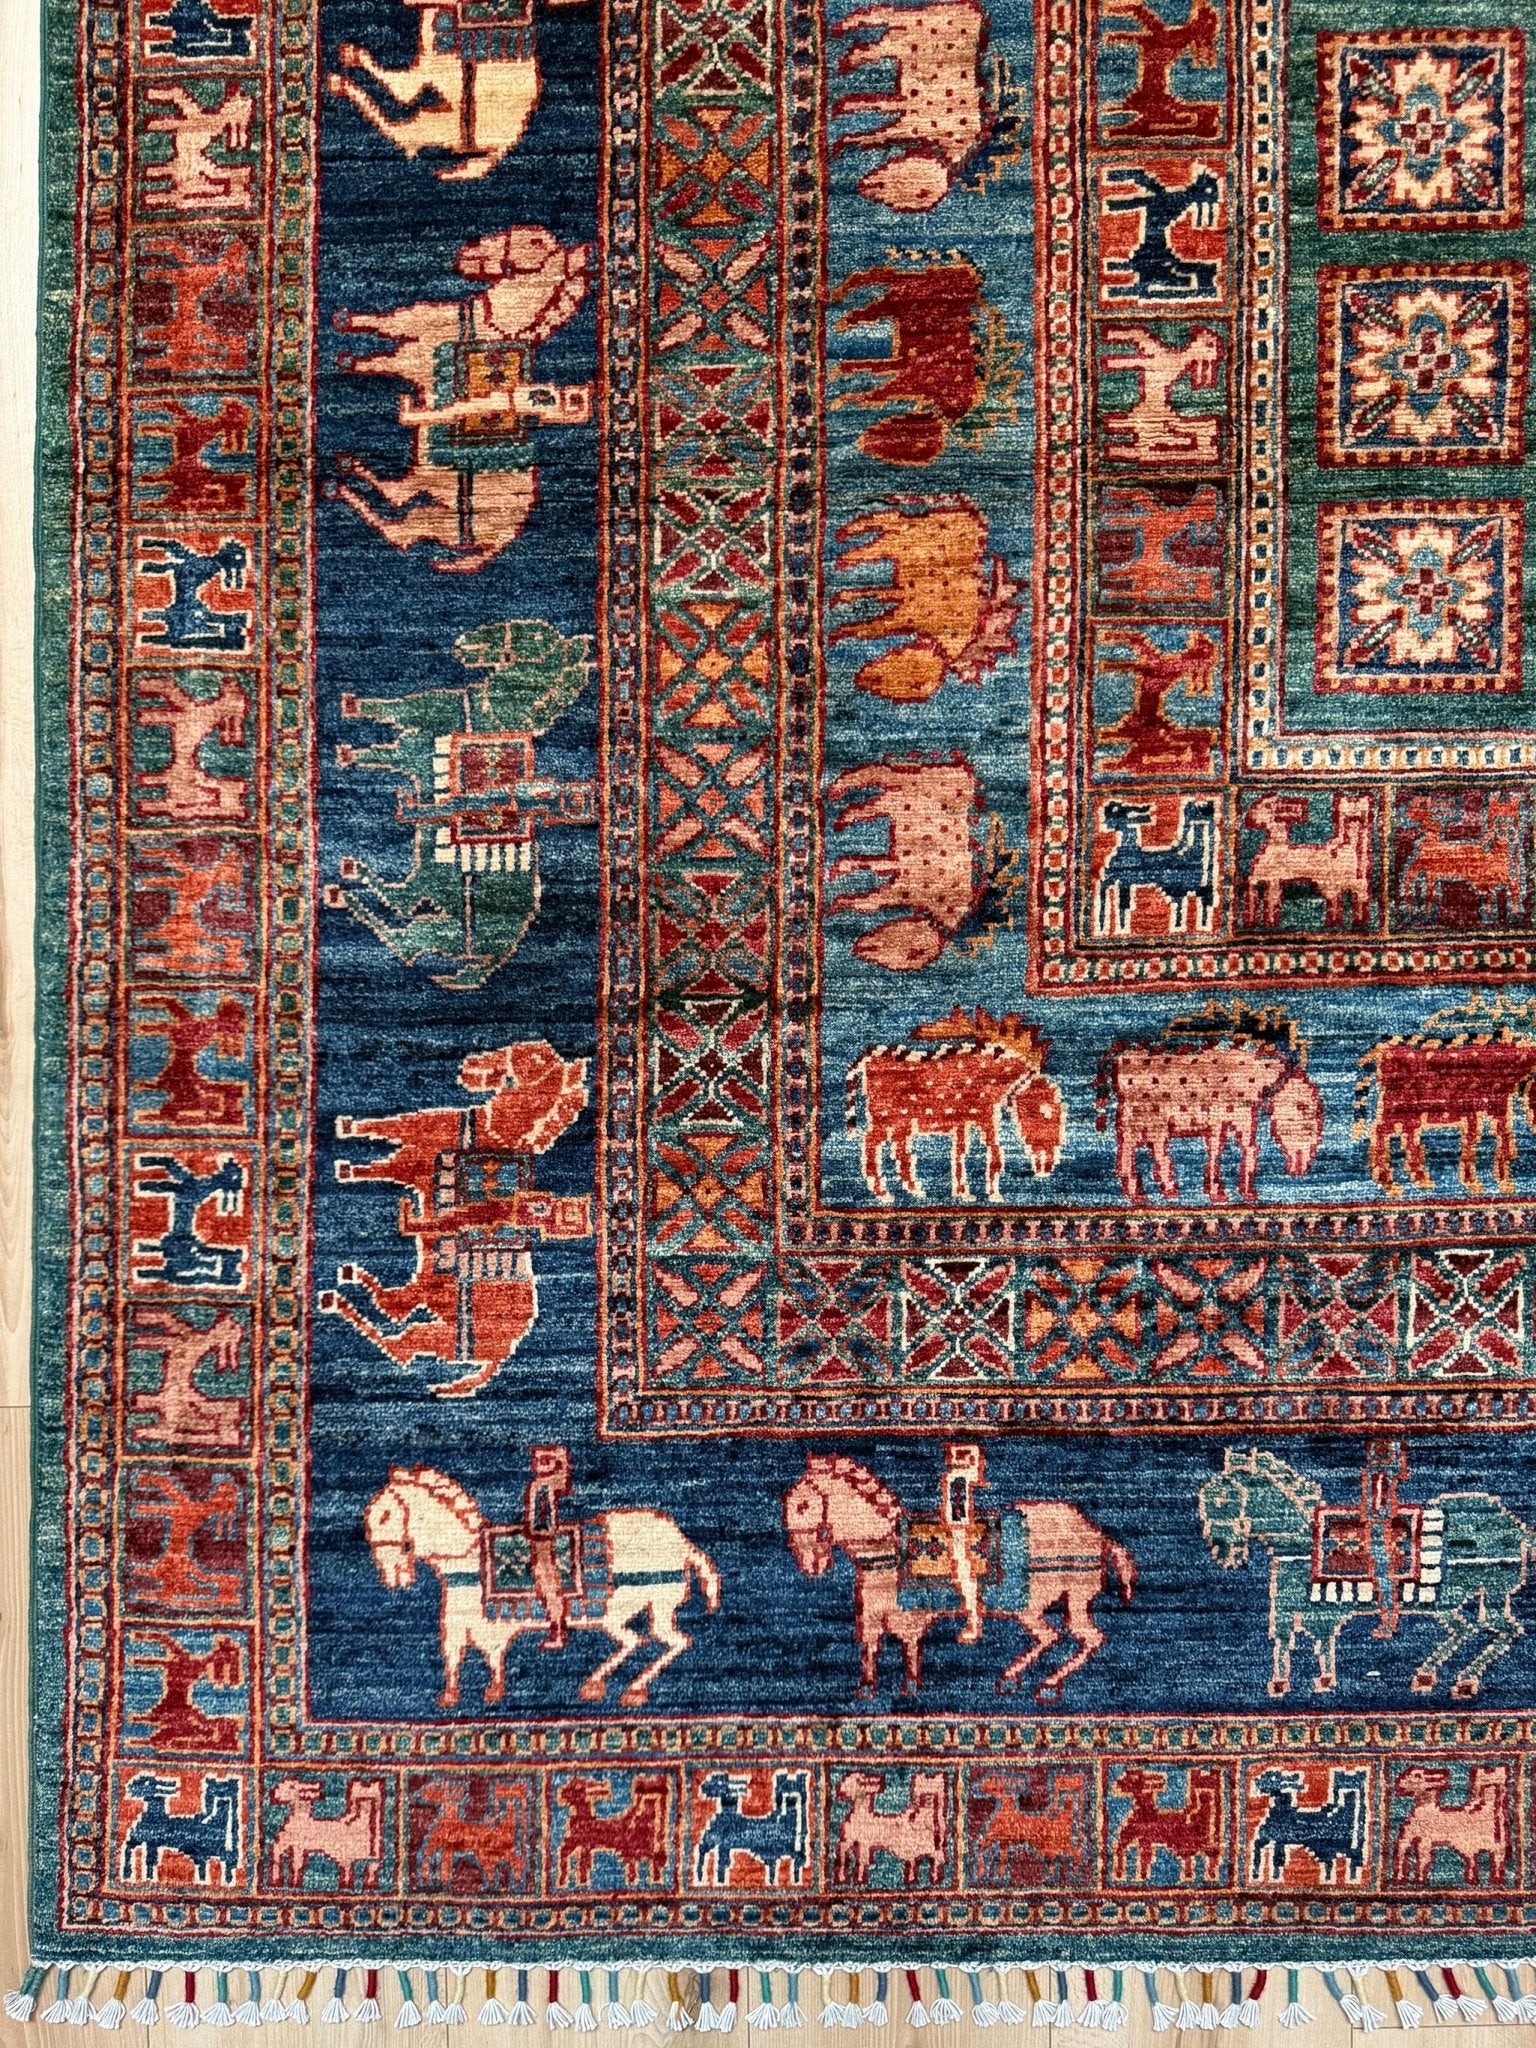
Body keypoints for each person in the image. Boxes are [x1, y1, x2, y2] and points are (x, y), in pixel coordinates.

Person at [525, 1443, 573, 1649]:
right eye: (537, 1460)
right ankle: (557, 1628)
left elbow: (563, 1479)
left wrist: (561, 1457)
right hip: (538, 1539)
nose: (539, 1464)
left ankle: (558, 1630)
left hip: (544, 1540)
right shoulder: (538, 1484)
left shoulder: (551, 1482)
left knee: (547, 1581)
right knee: (543, 1578)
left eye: (545, 1460)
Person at [1362, 1437, 1407, 1640]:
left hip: (1379, 1526)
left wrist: (1397, 1448)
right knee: (1381, 1572)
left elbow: (1398, 1469)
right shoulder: (1377, 1471)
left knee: (1382, 1572)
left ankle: (1388, 1619)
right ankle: (1387, 1618)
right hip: (1377, 1525)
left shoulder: (1383, 1472)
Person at [942, 1444, 987, 1644]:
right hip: (955, 1528)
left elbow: (976, 1463)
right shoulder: (956, 1476)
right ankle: (973, 1618)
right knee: (961, 1571)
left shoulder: (963, 1475)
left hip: (959, 1531)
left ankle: (974, 1620)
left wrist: (968, 1455)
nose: (954, 1461)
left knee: (963, 1572)